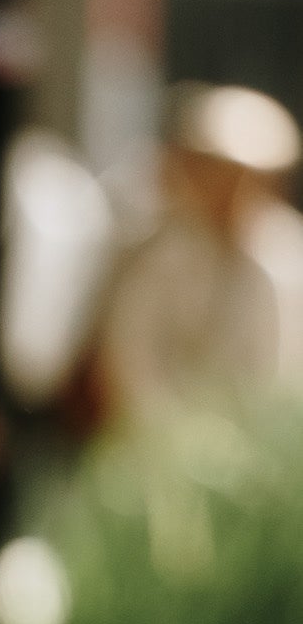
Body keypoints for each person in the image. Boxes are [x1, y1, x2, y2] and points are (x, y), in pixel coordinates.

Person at [76, 81, 303, 432]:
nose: (232, 189)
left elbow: (282, 368)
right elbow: (132, 353)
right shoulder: (163, 248)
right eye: (219, 173)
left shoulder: (286, 259)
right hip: (162, 441)